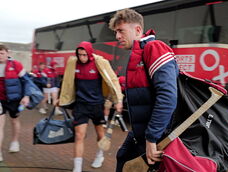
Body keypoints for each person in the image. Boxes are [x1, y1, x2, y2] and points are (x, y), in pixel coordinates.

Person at [109, 9, 179, 171]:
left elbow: (168, 96)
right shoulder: (138, 53)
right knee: (123, 157)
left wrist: (151, 138)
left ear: (138, 30)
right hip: (140, 132)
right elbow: (143, 88)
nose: (117, 37)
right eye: (115, 32)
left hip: (157, 134)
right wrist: (117, 82)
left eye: (121, 31)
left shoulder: (154, 48)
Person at [58, 41, 123, 172]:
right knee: (79, 135)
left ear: (89, 53)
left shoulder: (100, 63)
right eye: (79, 55)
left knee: (100, 134)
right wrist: (62, 97)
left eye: (84, 55)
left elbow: (113, 80)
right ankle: (77, 167)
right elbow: (67, 82)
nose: (81, 58)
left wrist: (118, 100)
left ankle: (100, 155)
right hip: (80, 105)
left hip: (96, 105)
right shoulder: (73, 63)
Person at [0, 44, 31, 161]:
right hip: (0, 100)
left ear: (7, 53)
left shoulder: (16, 65)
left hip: (14, 99)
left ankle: (15, 141)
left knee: (14, 121)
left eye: (2, 53)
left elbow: (27, 81)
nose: (0, 56)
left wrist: (26, 96)